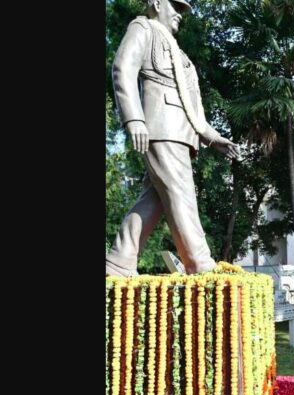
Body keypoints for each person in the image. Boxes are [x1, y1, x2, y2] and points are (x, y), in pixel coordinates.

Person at [106, 0, 241, 277]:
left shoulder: (180, 54)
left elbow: (192, 104)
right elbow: (123, 68)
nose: (180, 14)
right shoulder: (143, 27)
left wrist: (212, 138)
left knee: (153, 200)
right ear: (156, 3)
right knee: (181, 194)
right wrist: (134, 118)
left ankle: (119, 262)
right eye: (175, 7)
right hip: (161, 128)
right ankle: (200, 264)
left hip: (180, 133)